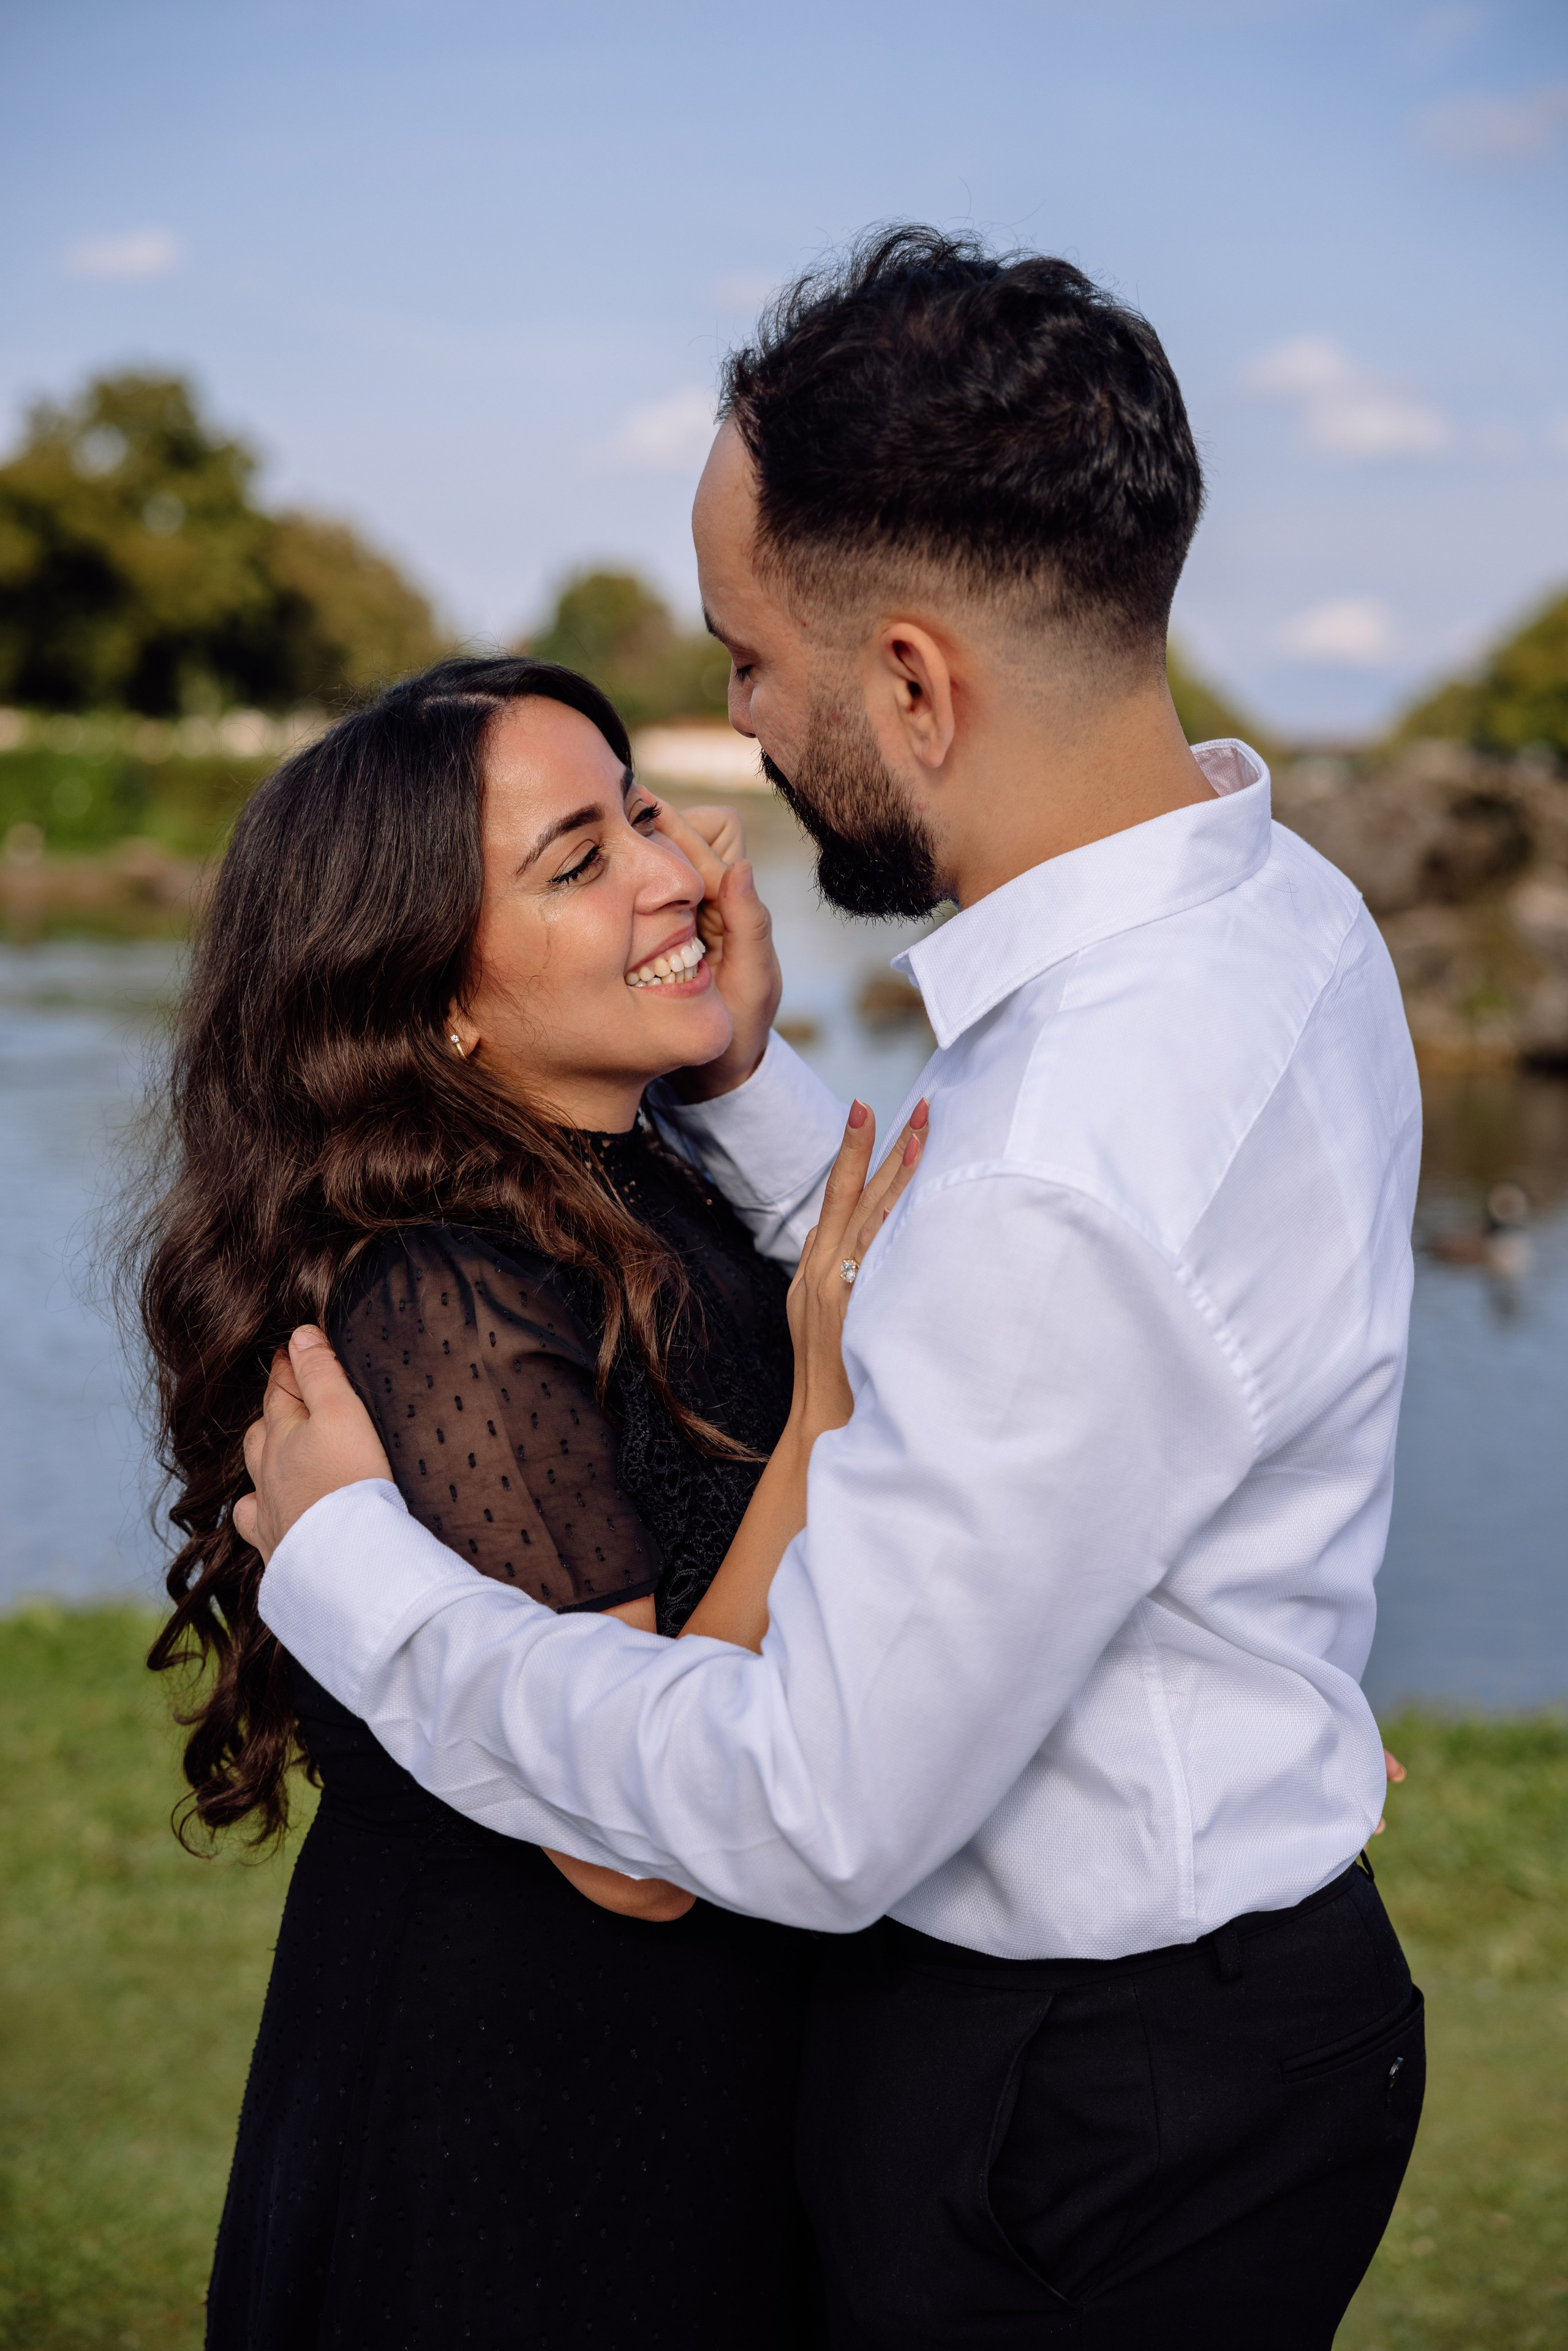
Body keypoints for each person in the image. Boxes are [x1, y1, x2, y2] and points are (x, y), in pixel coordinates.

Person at [243, 230, 1427, 2348]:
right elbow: (1016, 1338)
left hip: (1081, 2103)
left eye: (748, 663)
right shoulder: (1277, 907)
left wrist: (363, 1591)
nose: (735, 742)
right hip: (1179, 2028)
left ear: (912, 685)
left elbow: (807, 1797)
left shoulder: (1063, 1155)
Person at [134, 651, 924, 2349]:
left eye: (641, 810)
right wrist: (823, 1425)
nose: (672, 871)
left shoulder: (637, 1177)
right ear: (438, 1004)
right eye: (578, 863)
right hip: (534, 2097)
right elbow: (626, 1855)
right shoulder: (453, 1299)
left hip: (698, 2049)